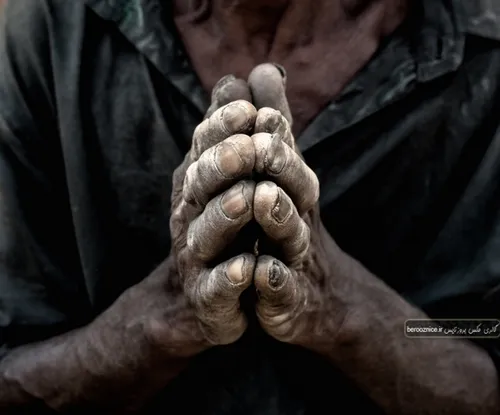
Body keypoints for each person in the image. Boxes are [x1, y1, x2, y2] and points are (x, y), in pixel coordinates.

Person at [0, 0, 499, 413]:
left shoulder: (483, 46)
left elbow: (484, 355)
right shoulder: (52, 33)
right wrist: (163, 317)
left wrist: (343, 307)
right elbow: (13, 375)